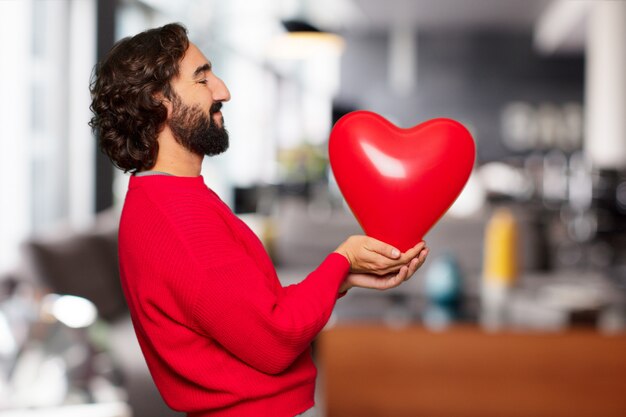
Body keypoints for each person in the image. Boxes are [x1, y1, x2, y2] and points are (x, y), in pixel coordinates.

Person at [89, 23, 429, 417]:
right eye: (202, 79)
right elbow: (275, 338)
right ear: (157, 99)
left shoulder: (159, 197)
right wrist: (344, 258)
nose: (223, 91)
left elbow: (248, 315)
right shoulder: (181, 218)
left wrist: (343, 276)